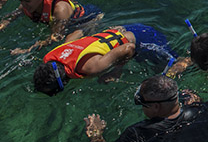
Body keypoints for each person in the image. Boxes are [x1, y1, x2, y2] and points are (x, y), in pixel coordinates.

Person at [32, 24, 179, 95]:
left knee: (174, 70)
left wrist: (117, 71)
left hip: (143, 39)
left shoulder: (91, 67)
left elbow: (129, 48)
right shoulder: (54, 55)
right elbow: (75, 35)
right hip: (123, 29)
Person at [0, 0, 103, 55]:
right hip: (65, 20)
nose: (23, 4)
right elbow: (10, 18)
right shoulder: (27, 4)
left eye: (26, 0)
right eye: (21, 0)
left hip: (88, 19)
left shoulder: (59, 10)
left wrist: (28, 50)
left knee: (66, 44)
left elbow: (55, 37)